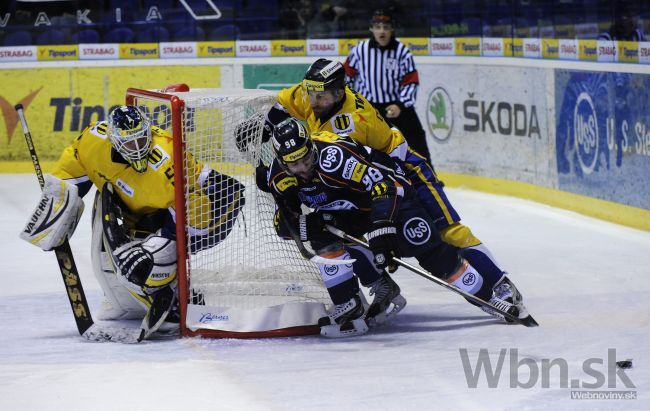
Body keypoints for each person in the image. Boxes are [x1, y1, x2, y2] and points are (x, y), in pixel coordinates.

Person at [237, 57, 525, 324]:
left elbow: (366, 174)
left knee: (446, 230)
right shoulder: (314, 92)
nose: (312, 102)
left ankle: (500, 284)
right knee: (334, 225)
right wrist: (261, 129)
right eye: (310, 94)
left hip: (403, 169)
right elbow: (284, 106)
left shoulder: (352, 124)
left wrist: (382, 227)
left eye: (320, 97)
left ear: (339, 94)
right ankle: (380, 285)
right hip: (368, 179)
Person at [264, 118, 527, 337]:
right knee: (318, 232)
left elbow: (385, 187)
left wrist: (382, 229)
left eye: (305, 159)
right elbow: (283, 225)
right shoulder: (279, 177)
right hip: (350, 209)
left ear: (311, 147)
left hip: (393, 196)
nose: (302, 168)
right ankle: (352, 300)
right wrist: (305, 220)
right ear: (282, 160)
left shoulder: (334, 160)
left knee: (431, 252)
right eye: (293, 163)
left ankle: (487, 299)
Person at [20, 105, 245, 338]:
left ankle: (178, 295)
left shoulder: (167, 154)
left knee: (153, 258)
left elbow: (206, 194)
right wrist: (58, 206)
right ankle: (124, 298)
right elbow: (74, 171)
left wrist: (166, 237)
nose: (138, 149)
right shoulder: (93, 142)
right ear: (114, 141)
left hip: (175, 215)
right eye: (130, 143)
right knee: (122, 258)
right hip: (131, 211)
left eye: (141, 140)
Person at [344, 9, 431, 163]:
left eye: (386, 27)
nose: (382, 31)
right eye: (378, 27)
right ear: (371, 29)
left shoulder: (402, 52)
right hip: (370, 108)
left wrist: (400, 104)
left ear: (392, 29)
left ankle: (430, 180)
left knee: (417, 140)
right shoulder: (360, 50)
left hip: (397, 106)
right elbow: (346, 77)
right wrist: (353, 101)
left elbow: (411, 81)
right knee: (367, 146)